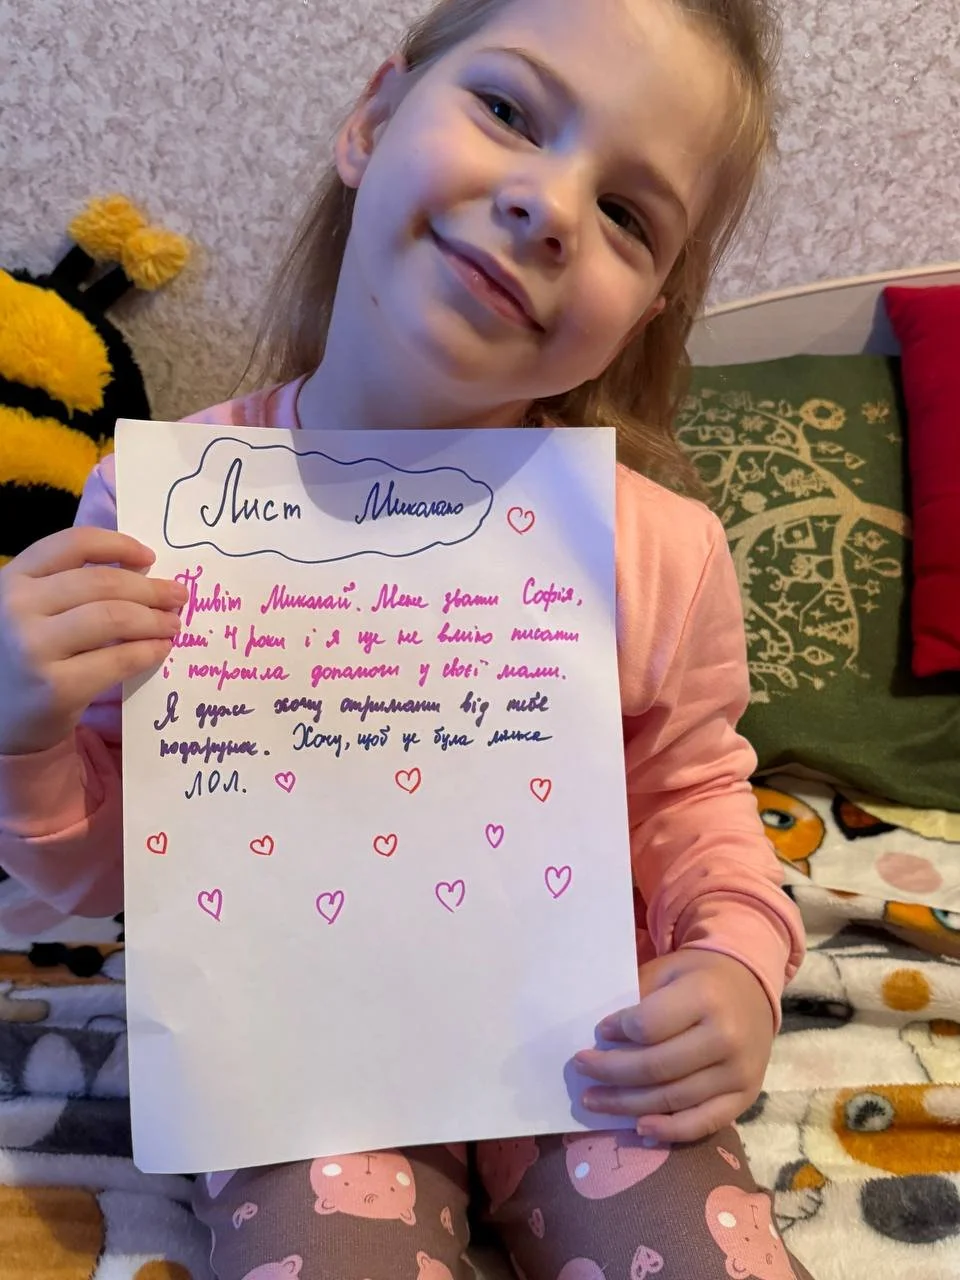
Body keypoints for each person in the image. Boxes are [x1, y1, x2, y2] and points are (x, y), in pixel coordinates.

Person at [0, 0, 814, 1275]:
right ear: (372, 120)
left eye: (627, 213)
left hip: (583, 1039)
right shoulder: (161, 510)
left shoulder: (659, 548)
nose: (550, 206)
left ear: (650, 308)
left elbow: (692, 795)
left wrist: (737, 962)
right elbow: (111, 868)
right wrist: (26, 732)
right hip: (296, 1048)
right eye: (509, 109)